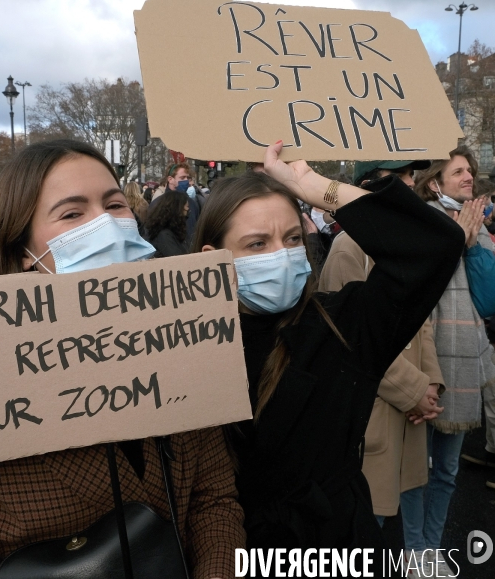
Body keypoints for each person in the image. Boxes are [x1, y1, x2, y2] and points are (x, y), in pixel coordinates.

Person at [0, 139, 244, 579]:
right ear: (24, 250)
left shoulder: (185, 343)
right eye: (73, 213)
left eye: (115, 204)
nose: (106, 225)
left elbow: (213, 501)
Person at [192, 141, 464, 576]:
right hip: (233, 552)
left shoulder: (342, 325)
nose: (280, 255)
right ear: (213, 260)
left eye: (292, 238)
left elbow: (432, 245)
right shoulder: (185, 348)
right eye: (257, 244)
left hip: (338, 550)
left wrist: (312, 186)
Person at [318, 158, 466, 577]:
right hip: (380, 412)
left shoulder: (404, 246)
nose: (411, 183)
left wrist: (431, 383)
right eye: (400, 177)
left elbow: (423, 325)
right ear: (371, 187)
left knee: (406, 504)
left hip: (408, 409)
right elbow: (349, 339)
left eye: (410, 176)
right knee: (371, 523)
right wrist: (414, 390)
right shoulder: (350, 248)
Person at [414, 145, 495, 575]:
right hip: (427, 359)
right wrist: (453, 242)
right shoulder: (421, 224)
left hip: (465, 363)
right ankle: (412, 551)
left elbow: (488, 298)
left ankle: (432, 545)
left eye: (470, 171)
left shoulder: (478, 227)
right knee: (415, 471)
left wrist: (473, 243)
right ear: (434, 183)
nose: (469, 177)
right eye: (459, 171)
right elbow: (416, 291)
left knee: (446, 471)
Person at [149, 163, 200, 241]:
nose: (186, 181)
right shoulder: (158, 204)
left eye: (188, 178)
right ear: (170, 179)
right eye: (182, 178)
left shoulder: (192, 203)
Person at [145, 189, 190, 257]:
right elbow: (178, 260)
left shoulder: (174, 231)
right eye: (186, 207)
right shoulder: (164, 235)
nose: (188, 210)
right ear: (177, 209)